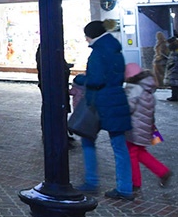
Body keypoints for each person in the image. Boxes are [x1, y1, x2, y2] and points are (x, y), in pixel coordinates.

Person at [74, 20, 134, 200]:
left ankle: (91, 181)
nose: (86, 40)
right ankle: (125, 187)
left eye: (86, 36)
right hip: (116, 99)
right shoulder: (115, 50)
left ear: (91, 35)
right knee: (119, 145)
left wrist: (80, 79)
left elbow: (96, 80)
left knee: (87, 138)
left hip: (99, 102)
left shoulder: (98, 53)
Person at [124, 61, 172, 191]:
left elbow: (129, 108)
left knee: (131, 154)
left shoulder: (133, 89)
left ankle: (135, 183)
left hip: (134, 128)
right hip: (144, 127)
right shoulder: (148, 88)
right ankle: (162, 171)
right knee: (140, 152)